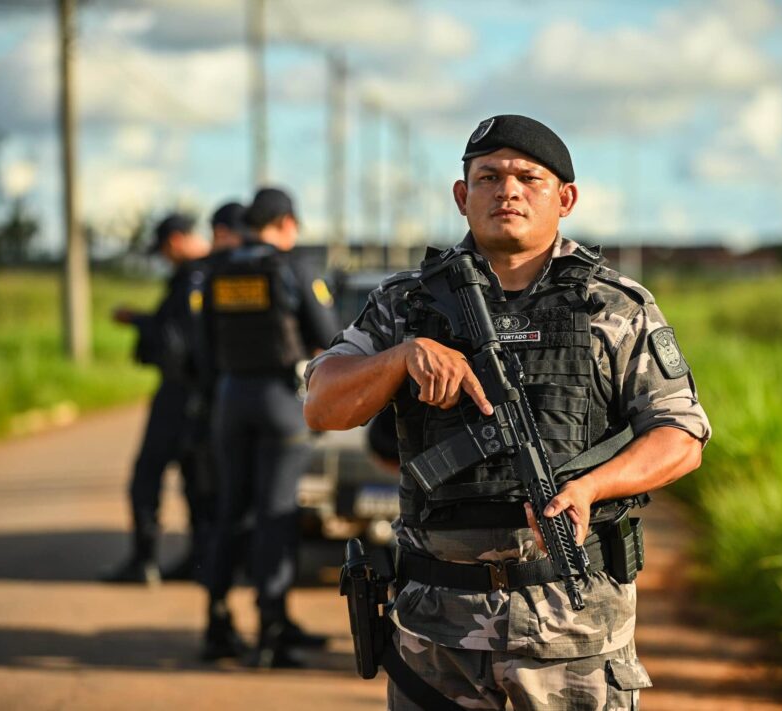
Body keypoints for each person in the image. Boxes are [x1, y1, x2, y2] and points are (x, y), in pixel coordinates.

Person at [304, 114, 711, 710]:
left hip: (573, 633)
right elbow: (322, 405)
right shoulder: (405, 305)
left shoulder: (613, 306)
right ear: (462, 196)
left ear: (565, 198)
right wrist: (402, 358)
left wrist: (591, 488)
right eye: (488, 176)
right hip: (436, 636)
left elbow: (681, 434)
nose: (508, 190)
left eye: (528, 177)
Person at [200, 187, 340, 667]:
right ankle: (270, 631)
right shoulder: (294, 266)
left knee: (230, 512)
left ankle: (216, 622)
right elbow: (329, 335)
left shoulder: (216, 269)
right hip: (281, 402)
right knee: (275, 515)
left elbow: (202, 345)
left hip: (230, 400)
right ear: (284, 223)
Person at [102, 213, 214, 585]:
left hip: (180, 392)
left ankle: (143, 561)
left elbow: (175, 341)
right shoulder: (215, 271)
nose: (166, 257)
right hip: (210, 395)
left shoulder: (190, 278)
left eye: (165, 249)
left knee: (147, 475)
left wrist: (137, 321)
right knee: (195, 480)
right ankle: (200, 562)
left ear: (177, 240)